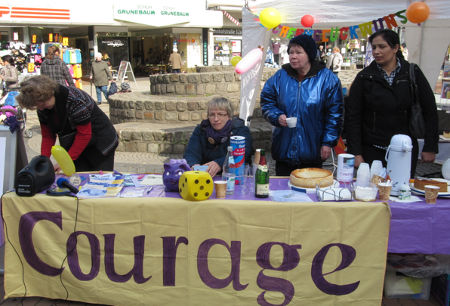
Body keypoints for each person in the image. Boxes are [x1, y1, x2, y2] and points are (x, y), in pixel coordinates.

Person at [344, 29, 438, 176]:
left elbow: (430, 110)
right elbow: (353, 116)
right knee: (372, 192)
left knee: (402, 190)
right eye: (374, 47)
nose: (377, 52)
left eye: (382, 47)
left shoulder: (412, 73)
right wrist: (355, 152)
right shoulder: (365, 77)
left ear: (395, 48)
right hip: (372, 149)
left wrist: (430, 146)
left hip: (404, 149)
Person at [260, 34, 343, 176]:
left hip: (312, 150)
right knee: (283, 193)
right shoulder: (280, 76)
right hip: (283, 150)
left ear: (310, 54)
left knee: (309, 193)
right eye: (291, 52)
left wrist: (328, 143)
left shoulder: (327, 79)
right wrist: (277, 116)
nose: (293, 56)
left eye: (298, 52)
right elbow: (267, 101)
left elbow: (334, 114)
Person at [16, 75, 118, 172]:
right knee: (78, 179)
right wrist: (44, 161)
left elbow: (84, 135)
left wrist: (66, 161)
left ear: (48, 95)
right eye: (37, 106)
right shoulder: (42, 109)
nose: (40, 108)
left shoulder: (74, 100)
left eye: (42, 104)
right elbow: (48, 136)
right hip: (77, 143)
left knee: (99, 180)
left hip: (101, 142)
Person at [183, 97, 253, 178]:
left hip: (234, 176)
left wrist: (220, 163)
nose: (216, 119)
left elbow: (244, 153)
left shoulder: (240, 130)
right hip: (205, 177)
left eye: (220, 114)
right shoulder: (201, 130)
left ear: (229, 116)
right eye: (212, 115)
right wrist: (194, 165)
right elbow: (191, 153)